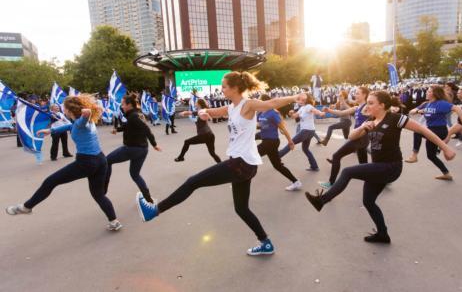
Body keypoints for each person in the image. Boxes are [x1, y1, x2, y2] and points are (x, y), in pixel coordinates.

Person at [135, 71, 300, 256]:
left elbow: (272, 104)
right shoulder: (232, 107)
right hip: (243, 164)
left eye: (224, 86)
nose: (221, 89)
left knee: (192, 182)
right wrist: (203, 112)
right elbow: (215, 111)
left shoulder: (248, 105)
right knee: (241, 208)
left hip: (241, 163)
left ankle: (154, 211)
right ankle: (266, 243)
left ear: (235, 88)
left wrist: (296, 96)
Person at [305, 91, 456, 244]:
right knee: (368, 201)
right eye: (367, 103)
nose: (367, 106)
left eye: (371, 103)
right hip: (378, 167)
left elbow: (423, 130)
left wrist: (445, 148)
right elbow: (351, 137)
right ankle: (383, 234)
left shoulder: (395, 119)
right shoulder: (371, 120)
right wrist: (363, 127)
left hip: (391, 167)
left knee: (347, 171)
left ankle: (322, 200)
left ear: (382, 105)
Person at [6, 95, 121, 231]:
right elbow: (70, 125)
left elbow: (81, 120)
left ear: (68, 110)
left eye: (64, 107)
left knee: (50, 181)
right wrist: (51, 130)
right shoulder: (81, 122)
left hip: (86, 162)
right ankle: (114, 221)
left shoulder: (82, 121)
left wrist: (87, 112)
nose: (62, 108)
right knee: (99, 194)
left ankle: (26, 207)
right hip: (101, 160)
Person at [105, 94, 162, 204]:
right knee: (135, 174)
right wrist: (117, 129)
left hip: (132, 149)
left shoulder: (134, 116)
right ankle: (148, 198)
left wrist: (154, 144)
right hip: (142, 150)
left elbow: (146, 129)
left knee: (107, 160)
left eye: (123, 104)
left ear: (129, 105)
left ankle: (103, 189)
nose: (122, 106)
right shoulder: (136, 114)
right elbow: (129, 125)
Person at [409, 85, 462, 181]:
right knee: (431, 156)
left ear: (434, 93)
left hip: (440, 130)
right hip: (431, 130)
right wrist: (418, 110)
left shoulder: (441, 104)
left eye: (429, 91)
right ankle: (446, 174)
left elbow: (458, 109)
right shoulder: (426, 104)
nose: (427, 93)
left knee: (417, 131)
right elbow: (412, 111)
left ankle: (414, 155)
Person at [318, 87, 370, 190]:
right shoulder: (357, 107)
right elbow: (342, 113)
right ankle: (380, 179)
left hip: (359, 138)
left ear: (364, 95)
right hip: (361, 139)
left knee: (336, 156)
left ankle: (331, 183)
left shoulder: (366, 107)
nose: (355, 95)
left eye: (358, 93)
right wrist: (329, 110)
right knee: (364, 165)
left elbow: (374, 112)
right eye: (355, 93)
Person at [256, 94, 302, 191]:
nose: (258, 102)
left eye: (260, 101)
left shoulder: (273, 113)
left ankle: (241, 180)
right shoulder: (260, 113)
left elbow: (283, 129)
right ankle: (296, 182)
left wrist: (290, 141)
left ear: (265, 102)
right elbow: (260, 125)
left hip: (272, 142)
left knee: (251, 156)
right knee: (277, 165)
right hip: (265, 140)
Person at [279, 93, 324, 172]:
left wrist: (320, 113)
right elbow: (294, 116)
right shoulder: (302, 108)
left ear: (307, 100)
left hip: (306, 131)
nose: (301, 101)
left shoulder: (308, 106)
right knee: (305, 149)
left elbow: (314, 110)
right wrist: (291, 113)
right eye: (300, 99)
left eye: (303, 99)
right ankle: (314, 166)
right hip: (309, 131)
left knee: (291, 143)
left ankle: (277, 157)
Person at [175, 98, 221, 163]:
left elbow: (204, 115)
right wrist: (183, 113)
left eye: (196, 102)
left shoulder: (201, 111)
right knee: (212, 153)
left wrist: (208, 116)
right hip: (210, 135)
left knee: (187, 142)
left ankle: (180, 157)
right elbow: (190, 112)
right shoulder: (199, 111)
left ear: (199, 104)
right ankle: (221, 165)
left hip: (204, 135)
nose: (195, 103)